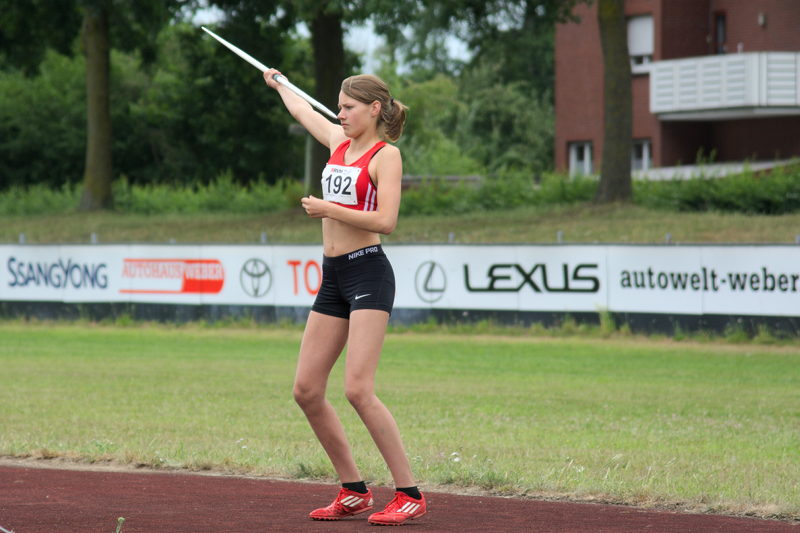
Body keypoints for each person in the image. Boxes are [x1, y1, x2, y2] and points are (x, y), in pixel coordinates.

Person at [263, 69, 426, 526]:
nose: (339, 114)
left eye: (348, 107)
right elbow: (300, 107)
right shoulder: (337, 141)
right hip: (333, 275)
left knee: (358, 389)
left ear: (374, 109)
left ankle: (409, 493)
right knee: (307, 390)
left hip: (369, 273)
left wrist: (327, 208)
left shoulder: (385, 155)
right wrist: (280, 84)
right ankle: (354, 489)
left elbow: (386, 220)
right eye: (338, 106)